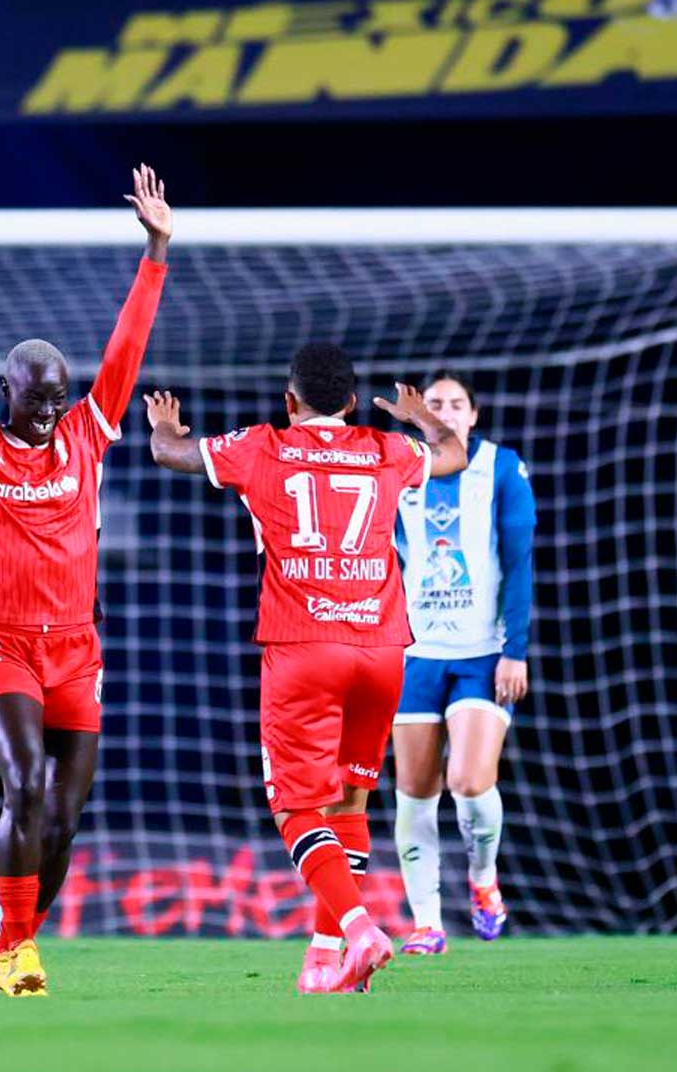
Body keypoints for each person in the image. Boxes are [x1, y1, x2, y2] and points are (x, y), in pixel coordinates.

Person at [0, 167, 169, 996]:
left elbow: (127, 349)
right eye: (37, 398)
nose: (50, 411)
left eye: (59, 398)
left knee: (63, 813)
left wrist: (156, 250)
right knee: (23, 783)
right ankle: (20, 951)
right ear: (6, 391)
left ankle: (9, 945)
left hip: (76, 649)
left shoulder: (89, 433)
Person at [144, 347, 467, 995]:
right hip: (381, 650)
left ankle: (357, 929)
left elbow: (172, 456)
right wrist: (422, 421)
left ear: (290, 403)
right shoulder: (387, 450)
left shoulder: (264, 446)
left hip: (303, 646)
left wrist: (163, 431)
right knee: (349, 799)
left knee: (294, 807)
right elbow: (453, 455)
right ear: (351, 404)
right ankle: (325, 961)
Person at [390, 371, 536, 954]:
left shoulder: (501, 468)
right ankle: (427, 922)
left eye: (456, 404)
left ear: (473, 415)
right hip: (415, 655)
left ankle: (482, 881)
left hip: (482, 654)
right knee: (414, 795)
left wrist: (515, 650)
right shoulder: (401, 466)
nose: (445, 413)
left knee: (469, 782)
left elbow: (520, 561)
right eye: (434, 404)